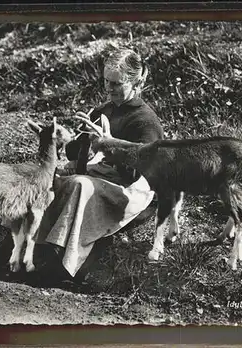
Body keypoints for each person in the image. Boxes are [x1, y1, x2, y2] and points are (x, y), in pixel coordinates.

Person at [32, 47, 165, 286]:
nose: (109, 88)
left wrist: (107, 145)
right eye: (106, 82)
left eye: (116, 84)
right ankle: (30, 247)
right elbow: (74, 154)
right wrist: (78, 139)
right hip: (105, 176)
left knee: (79, 185)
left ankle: (66, 264)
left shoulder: (145, 121)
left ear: (136, 83)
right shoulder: (105, 109)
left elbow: (136, 174)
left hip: (132, 190)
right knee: (54, 178)